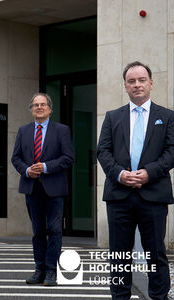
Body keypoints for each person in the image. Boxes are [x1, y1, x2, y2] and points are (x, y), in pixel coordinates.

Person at [97, 61, 174, 300]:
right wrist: (120, 174)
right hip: (119, 196)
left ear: (151, 84)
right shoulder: (112, 117)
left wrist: (150, 172)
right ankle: (120, 296)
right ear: (125, 86)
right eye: (132, 81)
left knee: (156, 254)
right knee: (119, 255)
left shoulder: (168, 117)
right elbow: (103, 151)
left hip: (154, 195)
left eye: (142, 80)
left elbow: (172, 151)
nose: (137, 85)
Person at [11, 93, 74, 286]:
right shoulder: (23, 130)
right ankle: (39, 269)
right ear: (31, 109)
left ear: (50, 109)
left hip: (54, 188)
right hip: (32, 187)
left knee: (54, 230)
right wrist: (28, 170)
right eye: (36, 105)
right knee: (38, 231)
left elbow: (68, 158)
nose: (39, 107)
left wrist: (46, 167)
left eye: (43, 104)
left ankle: (51, 271)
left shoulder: (62, 130)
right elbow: (16, 158)